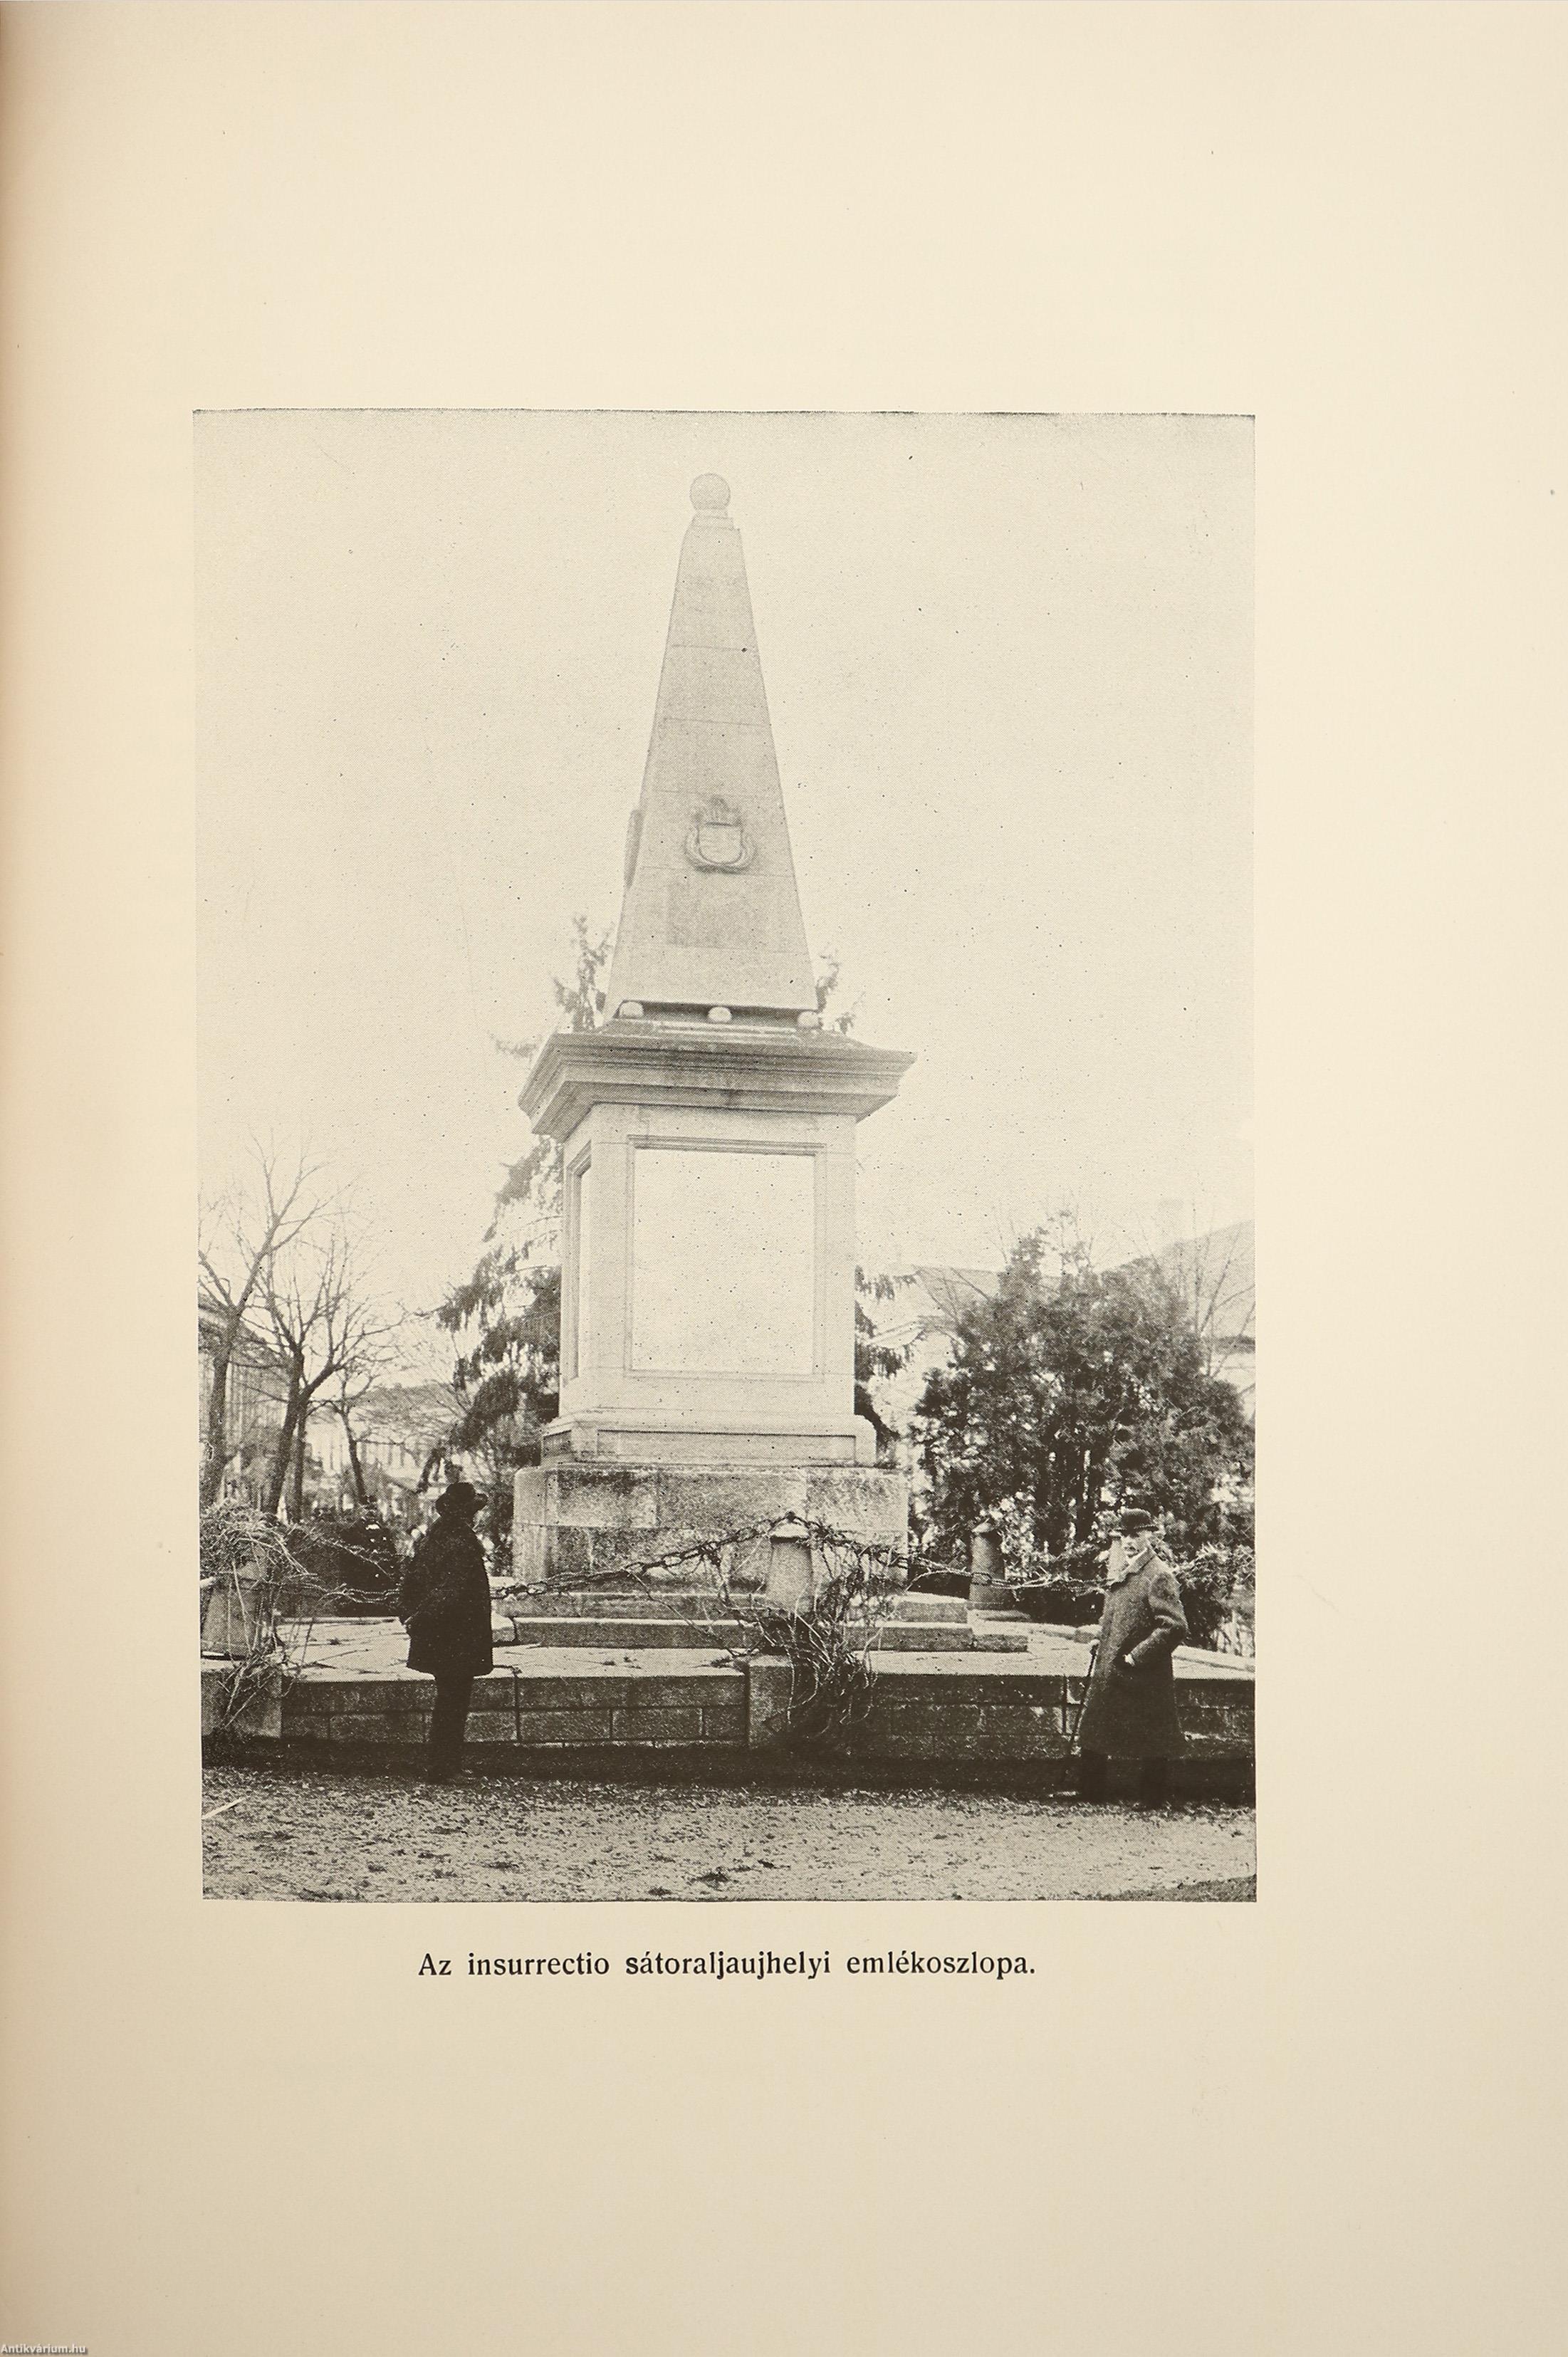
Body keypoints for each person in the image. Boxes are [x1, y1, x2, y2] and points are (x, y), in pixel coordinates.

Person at [1074, 1507, 1188, 1807]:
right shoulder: (1125, 1570)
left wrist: (1137, 1657)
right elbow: (1119, 1614)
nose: (1128, 1542)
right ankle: (1090, 1792)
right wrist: (1102, 1639)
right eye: (1124, 1535)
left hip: (1142, 1670)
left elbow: (1174, 1626)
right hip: (1113, 1663)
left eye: (1135, 1535)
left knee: (1153, 1734)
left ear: (1150, 1536)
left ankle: (1152, 1798)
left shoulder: (1158, 1575)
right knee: (1096, 1725)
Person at [397, 1479, 493, 1784]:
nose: (476, 1517)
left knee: (448, 1700)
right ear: (466, 1514)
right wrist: (420, 1618)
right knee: (453, 1703)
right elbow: (450, 1591)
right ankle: (445, 1768)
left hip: (443, 1634)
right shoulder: (460, 1542)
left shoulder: (435, 1537)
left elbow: (412, 1582)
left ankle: (447, 1765)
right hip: (456, 1635)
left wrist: (412, 1617)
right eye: (474, 1512)